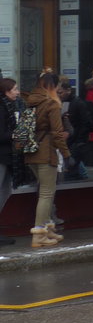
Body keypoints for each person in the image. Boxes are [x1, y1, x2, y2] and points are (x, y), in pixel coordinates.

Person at [24, 71, 70, 248]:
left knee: (45, 191)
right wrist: (66, 154)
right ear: (54, 86)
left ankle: (48, 229)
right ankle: (39, 235)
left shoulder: (30, 100)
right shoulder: (51, 104)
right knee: (46, 193)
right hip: (46, 153)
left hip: (31, 151)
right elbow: (57, 134)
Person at [0, 79, 19, 246]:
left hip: (6, 156)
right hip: (1, 156)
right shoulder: (2, 108)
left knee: (6, 190)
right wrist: (15, 134)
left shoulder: (9, 107)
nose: (17, 92)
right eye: (14, 89)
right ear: (6, 91)